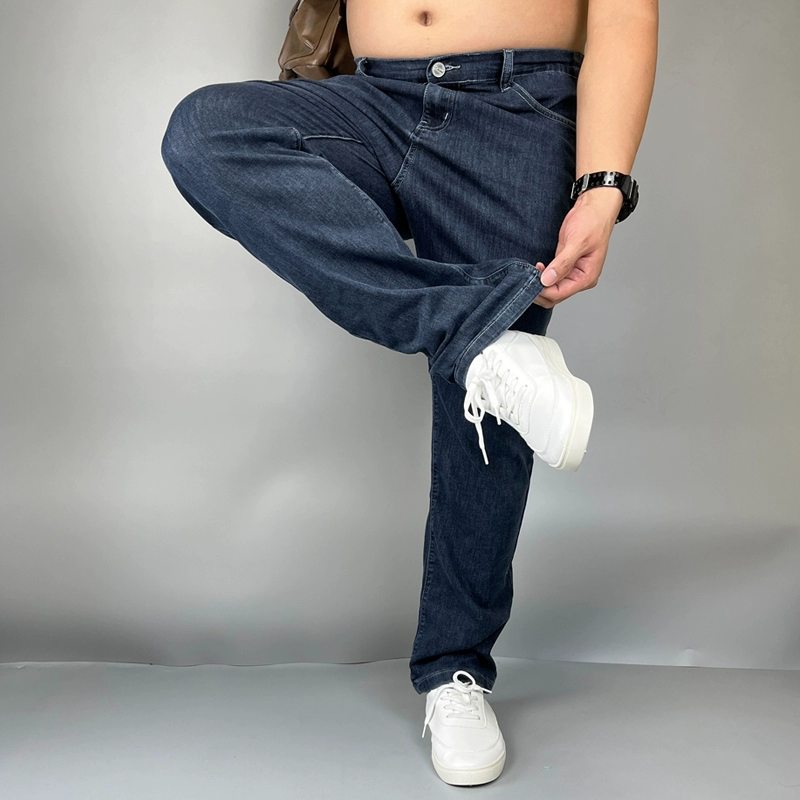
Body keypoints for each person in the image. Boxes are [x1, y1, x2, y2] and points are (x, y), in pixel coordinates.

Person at [160, 0, 658, 786]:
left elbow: (626, 16)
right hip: (374, 98)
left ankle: (455, 671)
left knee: (483, 424)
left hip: (517, 108)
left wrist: (603, 184)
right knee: (207, 132)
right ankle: (478, 330)